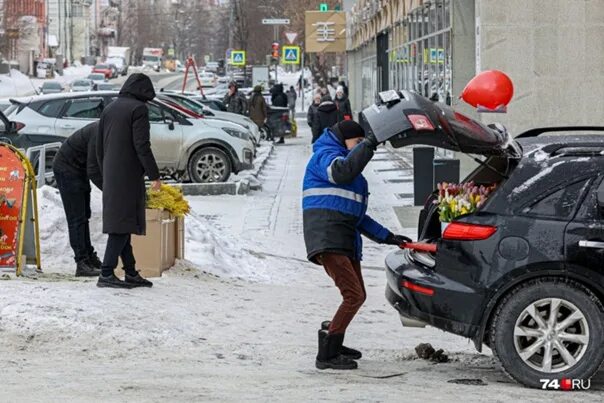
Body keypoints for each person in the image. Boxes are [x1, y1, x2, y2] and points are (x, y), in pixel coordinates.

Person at [302, 120, 411, 370]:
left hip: (344, 238)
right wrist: (370, 144)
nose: (360, 147)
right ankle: (327, 355)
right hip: (328, 238)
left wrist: (389, 237)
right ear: (345, 139)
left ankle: (332, 338)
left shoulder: (354, 176)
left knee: (356, 294)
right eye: (358, 142)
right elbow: (341, 171)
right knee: (354, 295)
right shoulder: (325, 157)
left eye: (363, 143)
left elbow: (358, 217)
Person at [96, 73, 161, 289]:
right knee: (121, 225)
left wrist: (105, 170)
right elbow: (142, 145)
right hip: (128, 174)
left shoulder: (110, 108)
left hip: (112, 172)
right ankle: (106, 273)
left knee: (122, 222)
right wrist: (154, 175)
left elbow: (99, 145)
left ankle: (131, 272)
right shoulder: (138, 109)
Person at [52, 121, 103, 277]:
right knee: (77, 218)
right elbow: (94, 170)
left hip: (79, 170)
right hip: (66, 169)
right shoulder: (99, 132)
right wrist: (111, 192)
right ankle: (81, 262)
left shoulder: (107, 130)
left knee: (84, 215)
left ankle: (89, 256)